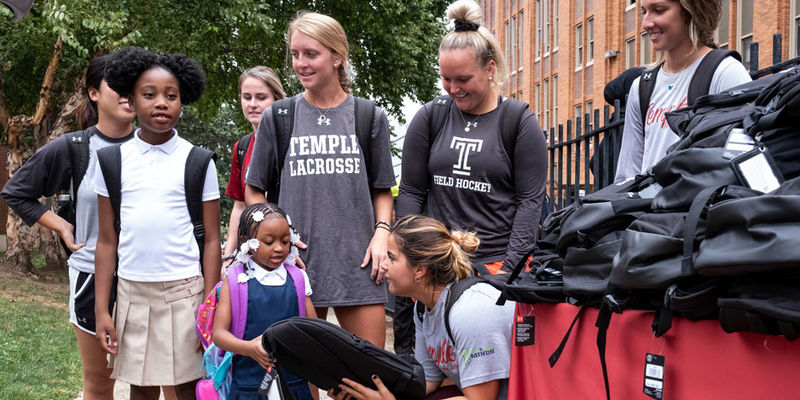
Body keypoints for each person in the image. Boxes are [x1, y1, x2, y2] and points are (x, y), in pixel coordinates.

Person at [395, 0, 546, 355]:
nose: (453, 88)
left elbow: (530, 203)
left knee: (483, 371)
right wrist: (410, 252)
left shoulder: (518, 122)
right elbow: (412, 190)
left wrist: (507, 273)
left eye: (463, 79)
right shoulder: (430, 117)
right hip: (435, 269)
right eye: (446, 79)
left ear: (490, 68)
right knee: (430, 370)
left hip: (492, 265)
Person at [244, 11, 395, 348]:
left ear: (337, 56)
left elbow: (382, 189)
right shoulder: (278, 117)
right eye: (295, 54)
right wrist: (275, 239)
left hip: (359, 265)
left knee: (369, 370)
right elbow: (254, 190)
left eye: (311, 54)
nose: (301, 64)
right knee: (298, 373)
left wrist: (382, 234)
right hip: (294, 266)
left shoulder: (368, 115)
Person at [1, 55, 135, 400]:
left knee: (150, 383)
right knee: (100, 385)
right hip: (92, 277)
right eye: (117, 86)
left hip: (147, 278)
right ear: (93, 93)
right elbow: (16, 192)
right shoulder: (75, 148)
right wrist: (60, 225)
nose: (128, 94)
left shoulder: (155, 145)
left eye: (134, 86)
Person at [93, 47, 221, 400]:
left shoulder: (198, 161)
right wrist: (102, 309)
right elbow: (106, 240)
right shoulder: (112, 161)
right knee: (141, 388)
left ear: (182, 101)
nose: (161, 103)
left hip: (185, 294)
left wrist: (209, 308)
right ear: (131, 100)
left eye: (171, 95)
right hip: (132, 292)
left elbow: (212, 239)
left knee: (187, 388)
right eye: (149, 94)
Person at [330, 215, 516, 400]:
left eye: (391, 258)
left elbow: (479, 399)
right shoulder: (423, 308)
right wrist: (365, 390)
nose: (383, 265)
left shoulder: (470, 313)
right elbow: (426, 381)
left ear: (420, 269)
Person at [613, 0, 752, 182]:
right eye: (644, 12)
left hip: (700, 199)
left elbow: (745, 165)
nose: (646, 23)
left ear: (691, 11)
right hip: (648, 200)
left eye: (659, 10)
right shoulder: (641, 86)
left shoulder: (725, 73)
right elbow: (627, 176)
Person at [213, 203, 318, 400]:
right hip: (248, 387)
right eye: (269, 242)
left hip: (294, 385)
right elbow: (218, 334)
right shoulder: (235, 280)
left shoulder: (298, 278)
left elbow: (314, 329)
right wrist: (249, 348)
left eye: (285, 241)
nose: (279, 248)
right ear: (247, 241)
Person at [223, 67, 286, 265]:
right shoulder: (241, 147)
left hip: (285, 248)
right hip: (251, 253)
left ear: (276, 99)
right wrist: (229, 255)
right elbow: (239, 206)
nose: (252, 104)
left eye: (261, 97)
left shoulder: (291, 143)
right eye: (246, 97)